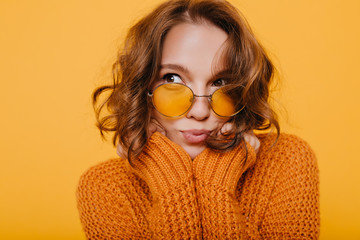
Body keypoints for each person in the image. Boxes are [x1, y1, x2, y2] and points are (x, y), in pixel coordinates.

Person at [76, 0, 320, 239]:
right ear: (143, 87)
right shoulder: (106, 187)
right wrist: (169, 182)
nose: (201, 111)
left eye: (220, 82)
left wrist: (217, 182)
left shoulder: (284, 160)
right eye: (172, 79)